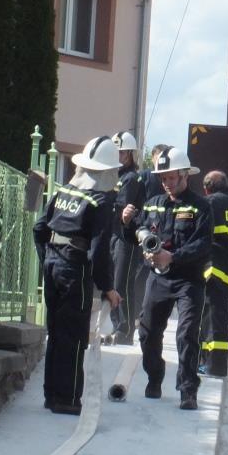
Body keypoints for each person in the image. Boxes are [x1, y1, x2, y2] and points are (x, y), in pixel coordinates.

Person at [33, 136, 122, 415]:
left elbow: (39, 229)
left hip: (52, 263)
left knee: (56, 332)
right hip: (75, 268)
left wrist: (48, 261)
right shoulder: (101, 202)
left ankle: (51, 395)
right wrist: (108, 287)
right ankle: (68, 398)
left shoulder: (63, 192)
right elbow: (99, 251)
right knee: (73, 335)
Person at [132, 146, 212, 410]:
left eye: (171, 178)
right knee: (147, 332)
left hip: (188, 279)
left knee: (187, 334)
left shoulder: (201, 207)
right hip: (158, 278)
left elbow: (203, 244)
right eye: (163, 178)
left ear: (185, 175)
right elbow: (140, 228)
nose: (166, 183)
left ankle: (188, 390)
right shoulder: (153, 203)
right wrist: (136, 231)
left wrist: (173, 257)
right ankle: (155, 376)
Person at [198, 170, 228, 377]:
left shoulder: (210, 203)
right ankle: (211, 363)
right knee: (218, 319)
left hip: (214, 270)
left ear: (207, 188)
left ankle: (213, 366)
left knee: (212, 320)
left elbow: (201, 235)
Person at [119, 143, 169, 321]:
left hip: (159, 230)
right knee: (142, 273)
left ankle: (144, 313)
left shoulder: (165, 177)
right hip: (146, 229)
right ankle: (138, 313)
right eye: (158, 157)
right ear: (153, 157)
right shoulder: (146, 176)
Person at [106, 131, 143, 345]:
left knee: (122, 284)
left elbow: (120, 207)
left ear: (129, 154)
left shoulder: (130, 178)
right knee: (112, 283)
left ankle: (125, 330)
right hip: (114, 235)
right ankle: (116, 325)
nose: (117, 156)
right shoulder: (115, 176)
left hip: (126, 239)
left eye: (120, 152)